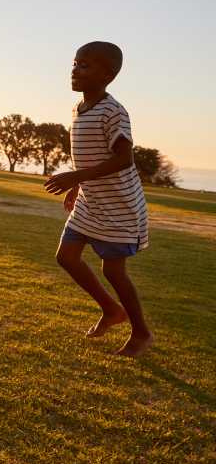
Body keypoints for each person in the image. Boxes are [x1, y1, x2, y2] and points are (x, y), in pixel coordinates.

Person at [45, 41, 152, 358]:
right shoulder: (78, 110)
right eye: (75, 63)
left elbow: (124, 159)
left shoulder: (113, 111)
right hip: (90, 202)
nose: (76, 69)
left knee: (114, 272)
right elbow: (87, 156)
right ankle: (111, 310)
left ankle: (142, 333)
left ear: (108, 74)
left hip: (119, 206)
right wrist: (78, 187)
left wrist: (75, 178)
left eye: (86, 65)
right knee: (66, 257)